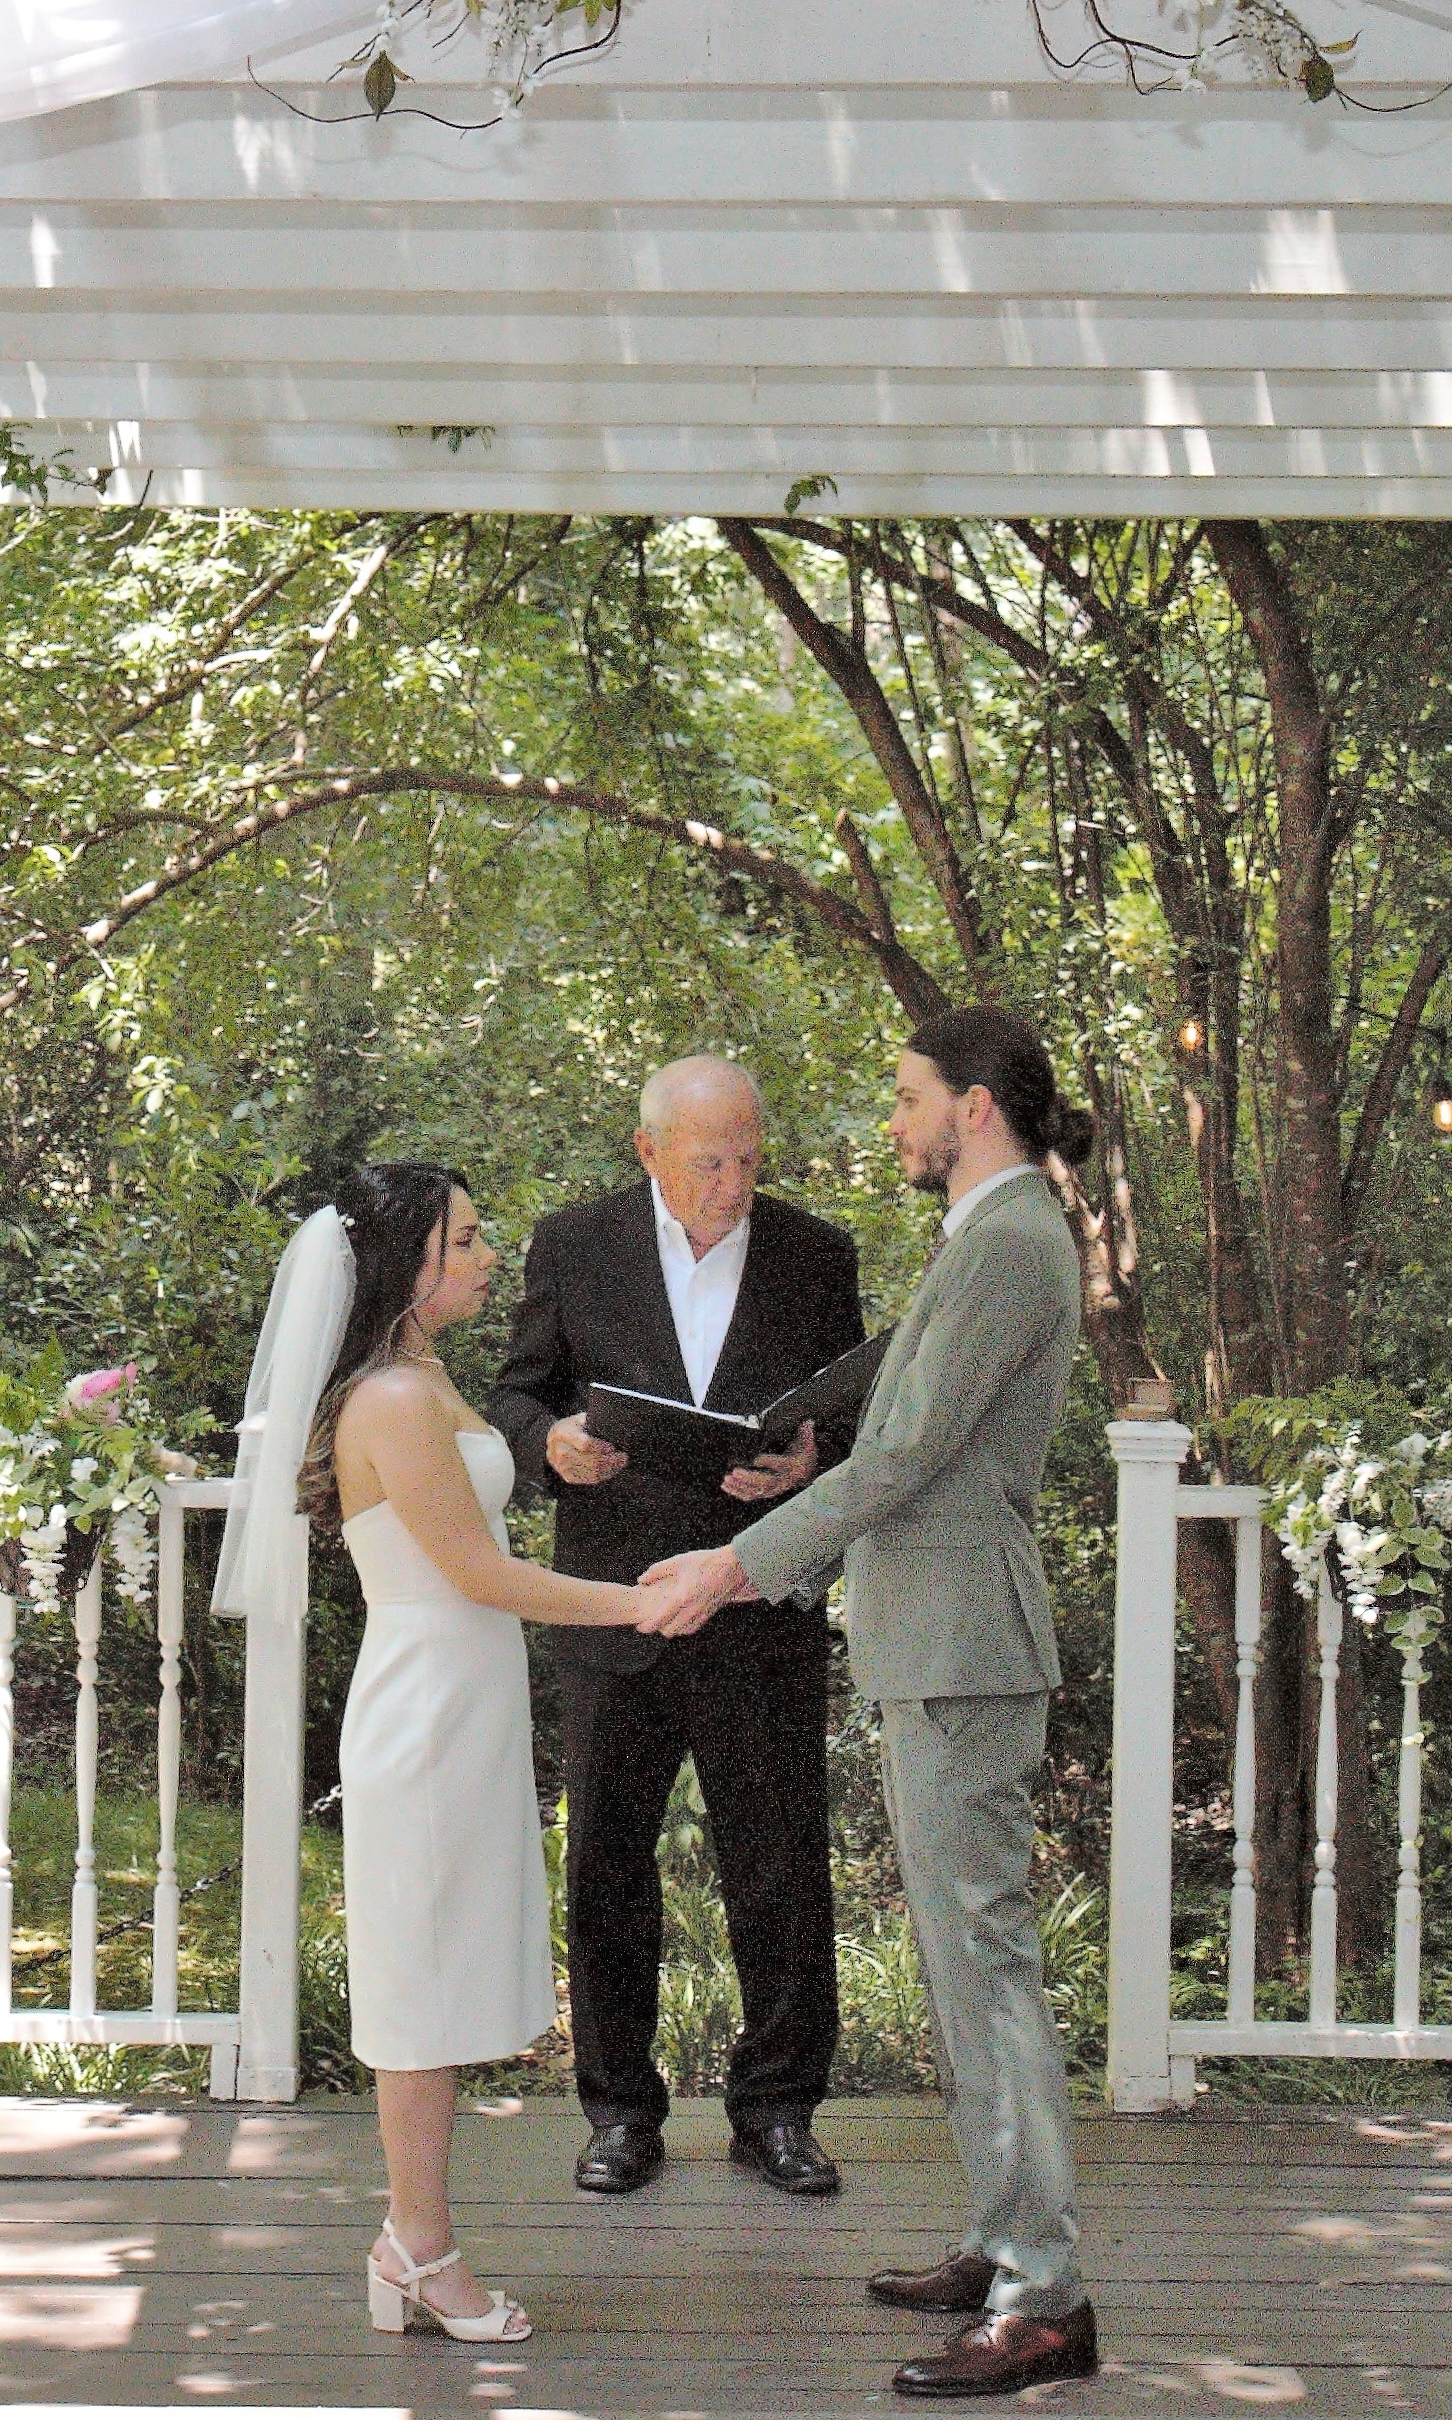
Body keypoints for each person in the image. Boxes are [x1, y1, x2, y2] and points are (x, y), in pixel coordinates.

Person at [637, 1009, 1103, 2400]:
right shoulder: (990, 1239)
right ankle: (999, 2234)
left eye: (905, 1096)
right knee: (968, 1971)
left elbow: (902, 1456)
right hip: (936, 1637)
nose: (891, 1120)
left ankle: (1043, 2295)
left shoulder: (1013, 1241)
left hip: (964, 1646)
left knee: (987, 1969)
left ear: (972, 1107)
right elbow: (913, 1447)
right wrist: (794, 1490)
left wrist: (737, 1563)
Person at [483, 1056, 871, 2202]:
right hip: (614, 1605)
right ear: (648, 1148)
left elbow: (852, 1424)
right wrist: (548, 1442)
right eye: (709, 1159)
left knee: (784, 1862)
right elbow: (513, 1395)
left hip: (757, 1604)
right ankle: (617, 2109)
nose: (733, 1181)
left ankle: (780, 2109)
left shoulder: (816, 1251)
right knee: (608, 1858)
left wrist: (810, 1460)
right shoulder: (574, 1241)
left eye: (749, 1156)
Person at [299, 1160, 651, 2345]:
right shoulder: (393, 1399)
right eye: (467, 1237)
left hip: (466, 1698)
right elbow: (479, 1572)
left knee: (439, 1980)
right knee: (417, 1990)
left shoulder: (425, 1375)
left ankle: (415, 2239)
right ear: (408, 1262)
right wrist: (643, 1601)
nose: (491, 1253)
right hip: (426, 1707)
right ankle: (419, 2248)